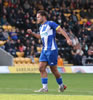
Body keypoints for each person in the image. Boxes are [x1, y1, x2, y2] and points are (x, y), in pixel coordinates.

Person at [27, 10, 72, 92]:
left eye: (38, 17)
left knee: (54, 70)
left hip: (52, 50)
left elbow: (60, 30)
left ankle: (61, 85)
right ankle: (45, 88)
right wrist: (32, 33)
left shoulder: (50, 23)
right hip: (44, 50)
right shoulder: (41, 27)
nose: (37, 19)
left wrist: (68, 39)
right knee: (41, 68)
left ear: (43, 17)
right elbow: (39, 36)